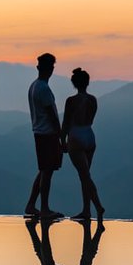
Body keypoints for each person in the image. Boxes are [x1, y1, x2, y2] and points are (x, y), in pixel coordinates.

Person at [23, 52, 64, 221]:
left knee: (43, 171)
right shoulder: (43, 89)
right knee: (47, 172)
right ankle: (44, 208)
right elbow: (52, 116)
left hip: (40, 133)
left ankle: (32, 205)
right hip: (48, 134)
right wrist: (61, 137)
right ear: (50, 69)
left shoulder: (34, 86)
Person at [60, 66, 105, 221]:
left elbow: (66, 123)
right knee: (86, 175)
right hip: (89, 135)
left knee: (84, 176)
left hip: (76, 136)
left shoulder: (71, 101)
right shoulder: (93, 100)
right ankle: (86, 210)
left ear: (74, 83)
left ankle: (98, 206)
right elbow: (91, 118)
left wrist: (62, 141)